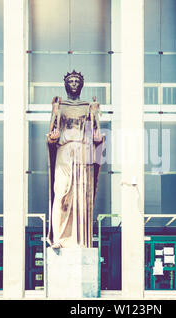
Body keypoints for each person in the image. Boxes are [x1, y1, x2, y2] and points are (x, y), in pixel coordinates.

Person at [46, 70, 104, 249]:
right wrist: (53, 138)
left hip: (82, 152)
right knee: (60, 193)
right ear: (66, 84)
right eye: (70, 81)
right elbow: (51, 134)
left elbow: (96, 135)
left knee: (81, 198)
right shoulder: (59, 106)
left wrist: (96, 121)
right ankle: (58, 238)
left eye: (76, 81)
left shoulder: (88, 107)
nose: (73, 83)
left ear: (81, 84)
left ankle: (81, 241)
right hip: (64, 151)